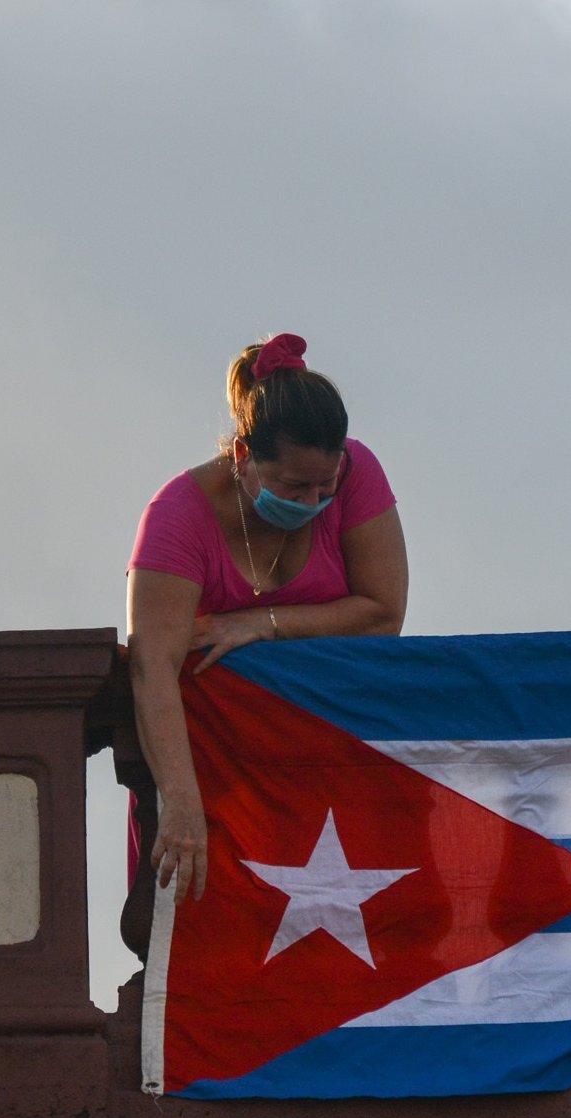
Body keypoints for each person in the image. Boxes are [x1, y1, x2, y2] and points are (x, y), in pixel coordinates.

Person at [122, 333, 408, 954]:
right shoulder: (178, 512)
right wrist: (181, 802)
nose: (313, 502)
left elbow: (384, 614)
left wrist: (260, 623)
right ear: (245, 454)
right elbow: (151, 666)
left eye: (324, 487)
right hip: (211, 775)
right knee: (211, 949)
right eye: (294, 487)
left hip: (328, 766)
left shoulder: (356, 472)